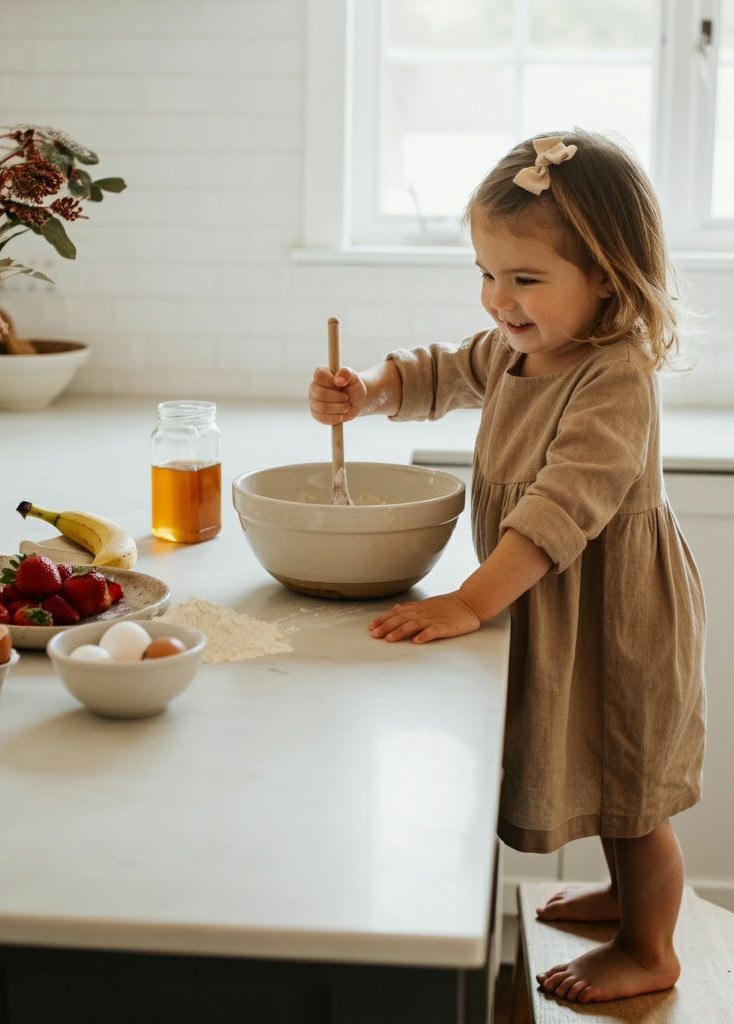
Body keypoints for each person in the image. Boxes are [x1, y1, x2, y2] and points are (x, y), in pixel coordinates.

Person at [307, 130, 706, 1004]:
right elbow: (444, 370)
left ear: (607, 274)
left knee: (632, 791)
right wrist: (370, 389)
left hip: (618, 613)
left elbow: (563, 505)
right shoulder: (523, 350)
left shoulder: (613, 377)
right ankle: (618, 900)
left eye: (525, 279)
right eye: (486, 273)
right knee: (593, 763)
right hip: (556, 603)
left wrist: (468, 602)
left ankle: (651, 946)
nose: (498, 300)